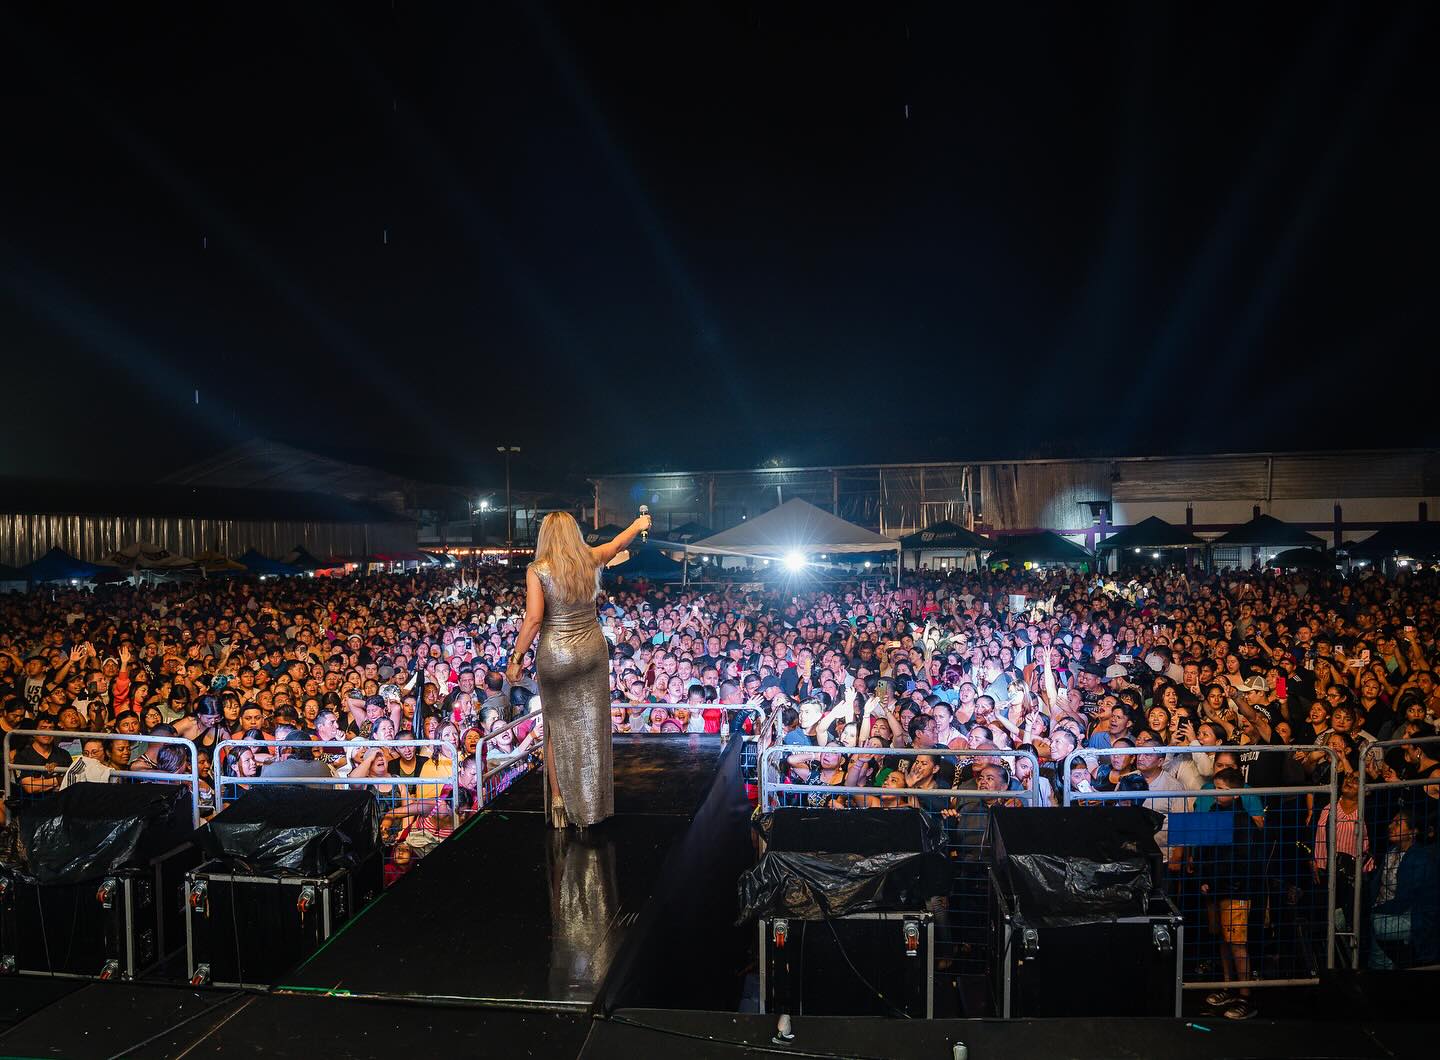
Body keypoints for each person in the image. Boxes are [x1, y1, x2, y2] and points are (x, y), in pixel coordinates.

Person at [507, 510, 649, 828]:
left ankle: (559, 803)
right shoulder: (589, 559)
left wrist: (515, 659)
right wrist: (638, 524)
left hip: (556, 654)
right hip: (591, 651)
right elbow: (617, 543)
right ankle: (592, 805)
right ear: (574, 533)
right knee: (592, 727)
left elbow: (532, 620)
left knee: (556, 730)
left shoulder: (537, 570)